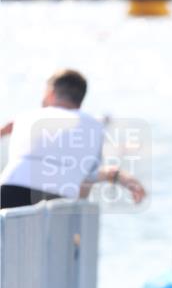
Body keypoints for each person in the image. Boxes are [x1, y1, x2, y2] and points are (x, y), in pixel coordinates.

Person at [0, 69, 145, 209]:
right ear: (80, 100)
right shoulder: (95, 126)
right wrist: (119, 176)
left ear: (50, 93)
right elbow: (89, 177)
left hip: (7, 191)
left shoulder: (25, 117)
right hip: (58, 200)